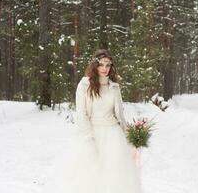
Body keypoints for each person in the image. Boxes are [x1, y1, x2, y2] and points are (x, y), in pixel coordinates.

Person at [44, 49, 142, 193]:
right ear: (95, 66)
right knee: (90, 176)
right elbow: (82, 114)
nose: (105, 69)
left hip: (113, 136)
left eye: (108, 65)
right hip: (92, 134)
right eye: (101, 65)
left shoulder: (114, 87)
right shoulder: (84, 85)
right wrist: (89, 139)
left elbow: (120, 116)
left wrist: (131, 139)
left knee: (115, 177)